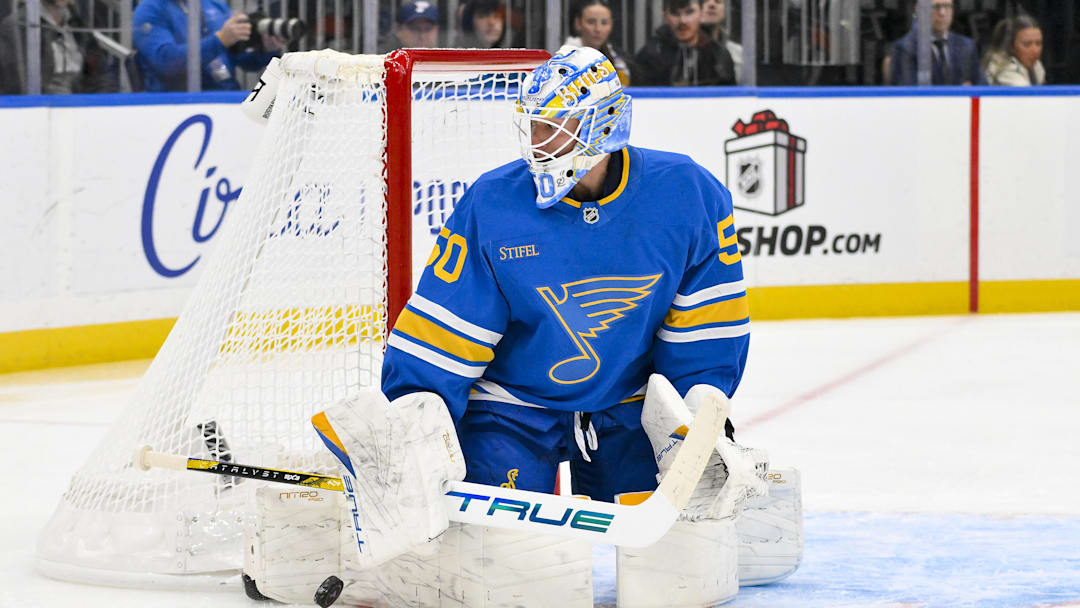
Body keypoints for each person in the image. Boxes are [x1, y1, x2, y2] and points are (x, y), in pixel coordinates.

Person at [308, 46, 765, 606]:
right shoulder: (495, 202)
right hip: (512, 406)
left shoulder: (686, 193)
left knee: (670, 568)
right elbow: (444, 330)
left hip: (628, 404)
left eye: (557, 127)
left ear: (604, 123)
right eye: (535, 127)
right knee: (506, 571)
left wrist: (696, 414)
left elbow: (705, 328)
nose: (539, 143)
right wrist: (412, 427)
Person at [132, 0, 281, 92]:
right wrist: (220, 40)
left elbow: (245, 61)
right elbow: (167, 63)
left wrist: (266, 49)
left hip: (228, 101)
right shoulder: (149, 9)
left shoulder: (215, 5)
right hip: (176, 105)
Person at [0, 0, 112, 94]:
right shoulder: (18, 27)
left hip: (81, 109)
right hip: (43, 111)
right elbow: (18, 86)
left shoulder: (78, 25)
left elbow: (101, 74)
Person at [634, 0, 736, 86]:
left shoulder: (718, 55)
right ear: (666, 16)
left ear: (701, 14)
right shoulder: (650, 55)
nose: (682, 21)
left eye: (689, 12)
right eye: (675, 13)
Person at [889, 0, 984, 85]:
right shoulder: (904, 48)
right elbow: (911, 93)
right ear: (919, 10)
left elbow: (983, 87)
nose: (942, 13)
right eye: (935, 7)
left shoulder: (966, 46)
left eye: (947, 6)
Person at [562, 0, 634, 85]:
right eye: (591, 22)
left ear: (611, 24)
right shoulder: (564, 60)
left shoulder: (622, 60)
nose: (598, 29)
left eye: (604, 23)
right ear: (578, 23)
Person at [984, 15, 1045, 86]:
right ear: (1011, 47)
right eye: (1027, 44)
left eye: (1038, 43)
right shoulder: (1003, 69)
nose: (1035, 50)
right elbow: (1028, 95)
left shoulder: (1037, 66)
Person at [700, 0, 743, 85]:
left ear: (727, 9)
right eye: (705, 1)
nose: (711, 4)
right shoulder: (680, 50)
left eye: (718, 1)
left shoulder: (737, 52)